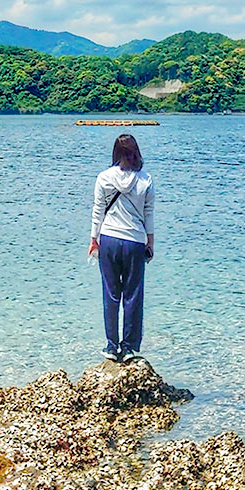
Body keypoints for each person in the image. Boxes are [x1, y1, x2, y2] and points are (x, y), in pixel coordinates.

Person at [88, 133, 154, 363]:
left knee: (111, 294)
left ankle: (111, 346)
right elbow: (148, 214)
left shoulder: (104, 178)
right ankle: (129, 348)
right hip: (135, 240)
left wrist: (93, 239)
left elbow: (98, 211)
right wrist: (151, 242)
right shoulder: (145, 180)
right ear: (135, 152)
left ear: (115, 152)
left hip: (109, 239)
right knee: (133, 295)